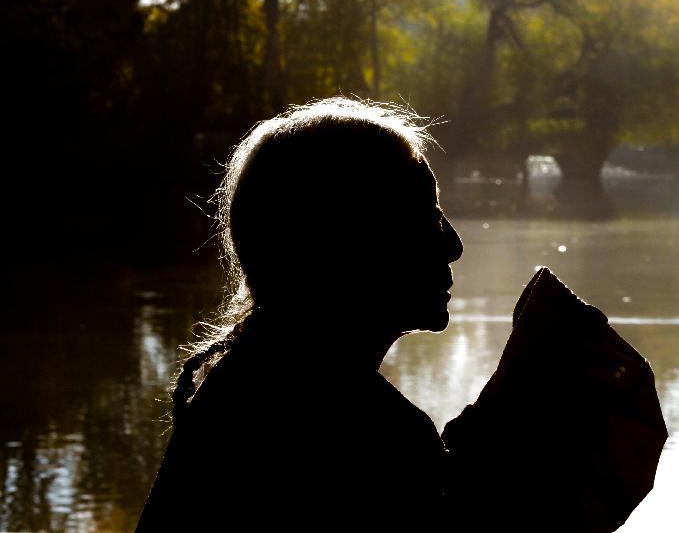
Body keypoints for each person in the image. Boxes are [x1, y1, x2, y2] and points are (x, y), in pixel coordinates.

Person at [135, 97, 463, 531]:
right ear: (350, 242)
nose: (453, 246)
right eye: (427, 220)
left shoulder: (240, 389)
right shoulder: (370, 440)